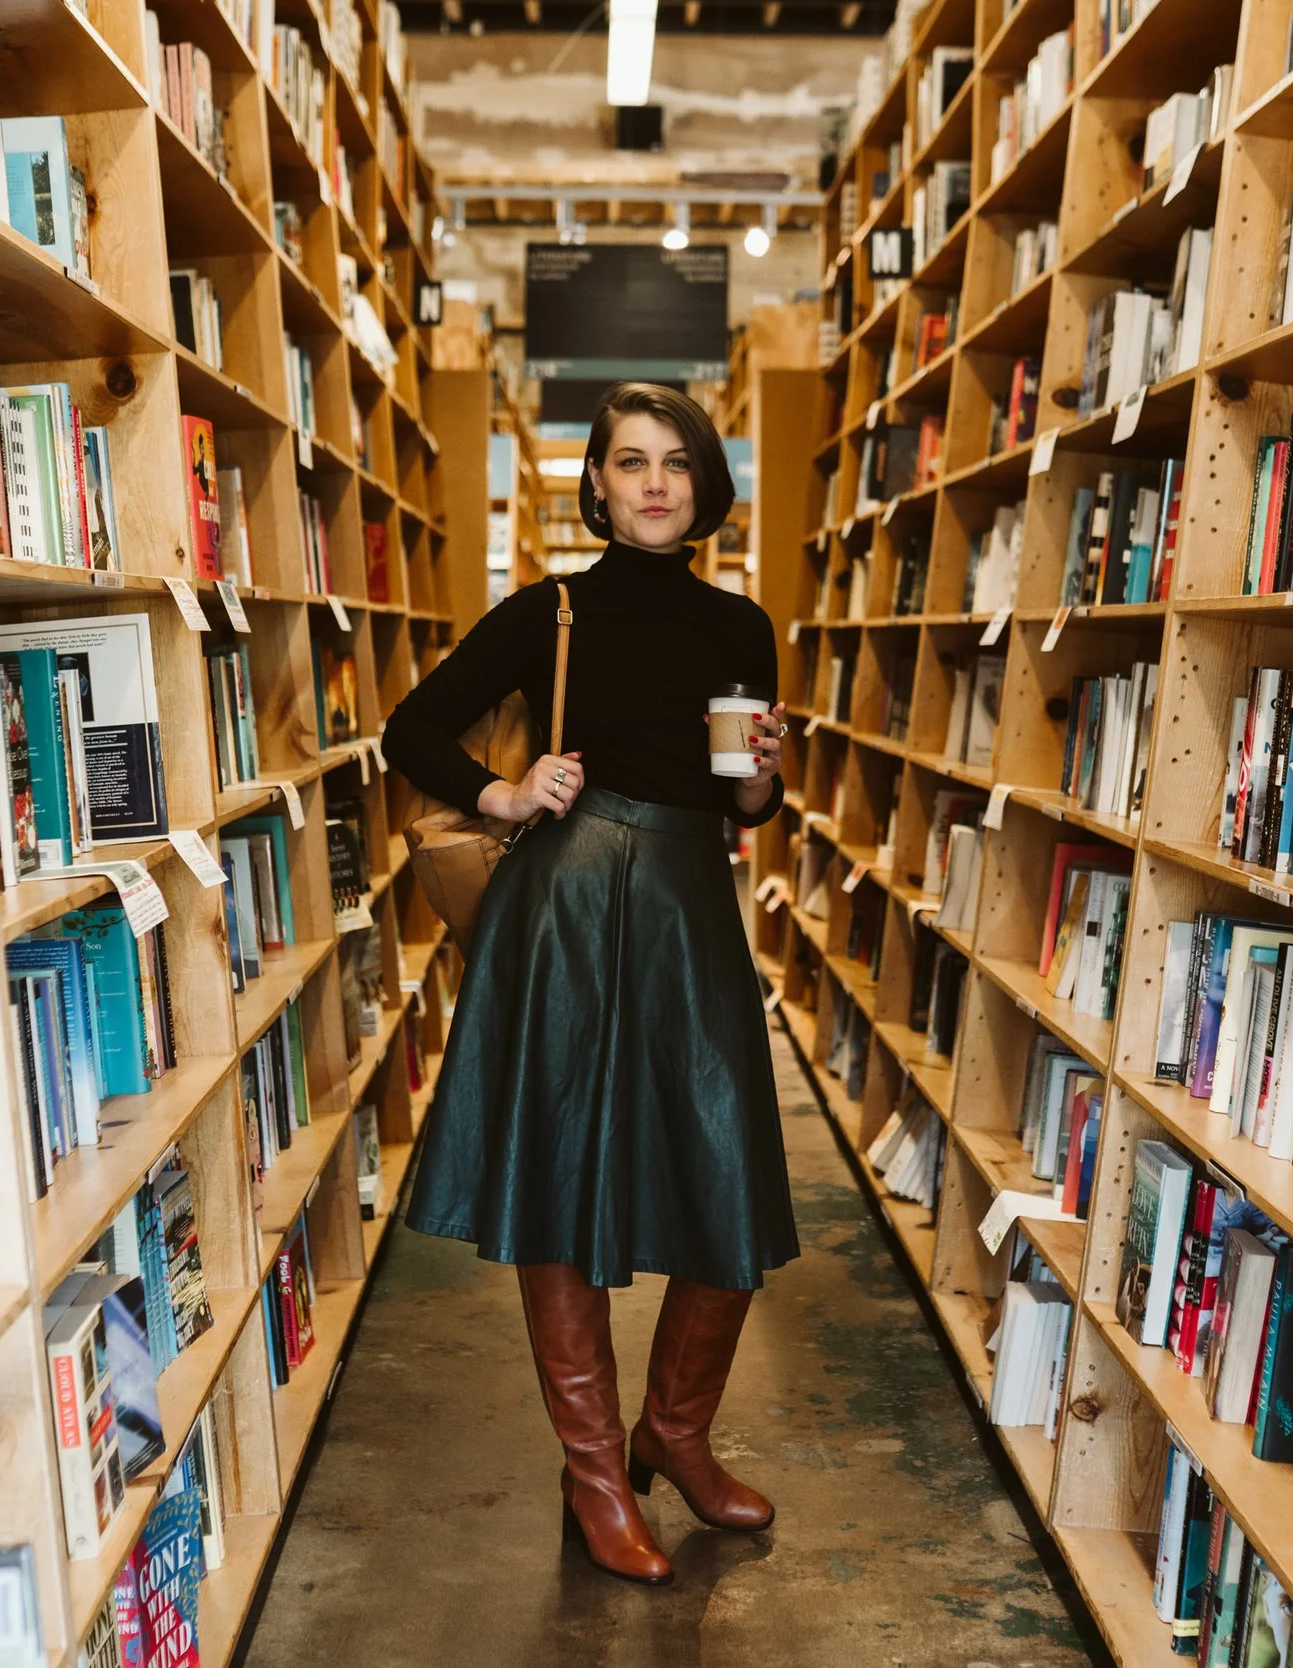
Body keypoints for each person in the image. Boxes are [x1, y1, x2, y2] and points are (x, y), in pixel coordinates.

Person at [382, 382, 798, 1586]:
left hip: (686, 900)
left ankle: (673, 1433)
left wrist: (766, 781)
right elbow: (412, 724)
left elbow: (741, 805)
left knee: (725, 1165)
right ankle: (594, 1471)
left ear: (704, 483)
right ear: (600, 487)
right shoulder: (546, 611)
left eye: (676, 461)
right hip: (564, 903)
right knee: (561, 1177)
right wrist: (503, 796)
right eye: (630, 461)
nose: (656, 481)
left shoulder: (741, 625)